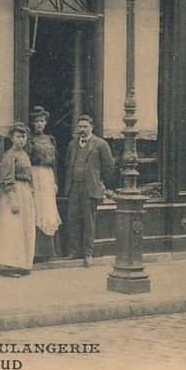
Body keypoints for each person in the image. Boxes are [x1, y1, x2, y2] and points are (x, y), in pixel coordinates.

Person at [62, 114, 115, 267]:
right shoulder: (73, 144)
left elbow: (109, 167)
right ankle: (74, 251)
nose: (82, 130)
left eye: (85, 126)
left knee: (89, 221)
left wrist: (98, 181)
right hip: (74, 187)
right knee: (72, 219)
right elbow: (67, 163)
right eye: (80, 126)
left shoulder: (100, 144)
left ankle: (88, 253)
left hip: (90, 188)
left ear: (92, 127)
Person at [0, 122, 37, 278]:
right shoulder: (9, 155)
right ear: (12, 138)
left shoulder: (24, 154)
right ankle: (8, 265)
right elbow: (7, 179)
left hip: (25, 193)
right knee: (12, 229)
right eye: (18, 137)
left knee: (23, 229)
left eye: (24, 137)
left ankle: (21, 264)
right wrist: (13, 200)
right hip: (13, 194)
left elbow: (29, 177)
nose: (21, 140)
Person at [27, 106, 62, 261]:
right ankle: (35, 252)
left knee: (48, 210)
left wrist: (55, 181)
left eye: (42, 121)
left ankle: (49, 251)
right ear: (33, 123)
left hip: (47, 176)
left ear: (46, 123)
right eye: (37, 121)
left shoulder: (50, 139)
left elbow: (54, 163)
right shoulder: (29, 140)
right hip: (35, 174)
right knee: (36, 208)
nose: (39, 124)